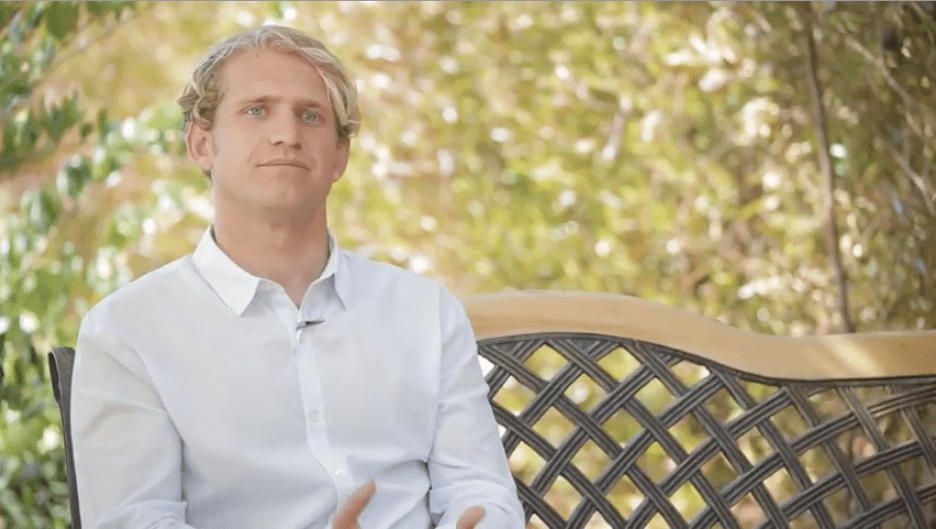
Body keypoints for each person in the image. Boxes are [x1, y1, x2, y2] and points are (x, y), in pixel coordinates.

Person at [70, 25, 524, 529]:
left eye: (311, 116)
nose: (287, 133)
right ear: (202, 143)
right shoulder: (128, 333)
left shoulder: (425, 312)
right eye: (256, 110)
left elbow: (478, 487)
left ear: (339, 156)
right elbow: (135, 522)